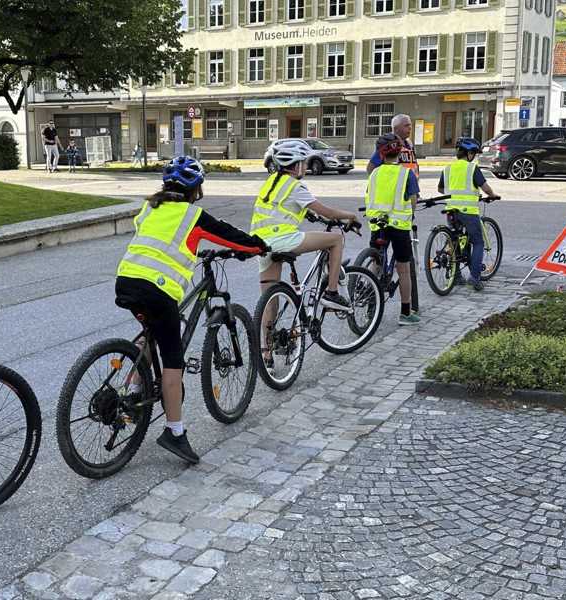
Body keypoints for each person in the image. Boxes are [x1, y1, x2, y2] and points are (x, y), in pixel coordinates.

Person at [116, 156, 269, 464]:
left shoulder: (150, 208)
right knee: (174, 363)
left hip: (126, 282)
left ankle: (133, 388)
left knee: (152, 333)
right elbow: (229, 235)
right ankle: (175, 433)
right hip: (158, 290)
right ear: (195, 189)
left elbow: (153, 236)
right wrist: (257, 246)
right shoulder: (192, 216)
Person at [253, 138, 361, 363]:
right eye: (303, 162)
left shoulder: (271, 182)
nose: (306, 166)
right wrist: (349, 216)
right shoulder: (295, 186)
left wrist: (313, 216)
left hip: (261, 245)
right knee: (334, 240)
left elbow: (300, 210)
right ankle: (331, 292)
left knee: (269, 299)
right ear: (296, 165)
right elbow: (327, 212)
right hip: (284, 240)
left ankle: (267, 354)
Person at [366, 133, 421, 325]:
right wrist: (409, 213)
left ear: (381, 154)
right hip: (398, 226)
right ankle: (405, 313)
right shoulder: (406, 174)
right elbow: (413, 201)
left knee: (376, 263)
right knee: (403, 269)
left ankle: (369, 306)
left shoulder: (374, 174)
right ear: (400, 152)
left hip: (377, 224)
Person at [437, 137, 499, 291]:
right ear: (469, 153)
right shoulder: (472, 168)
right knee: (478, 243)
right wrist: (492, 195)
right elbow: (484, 187)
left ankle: (456, 275)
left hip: (451, 211)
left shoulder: (448, 169)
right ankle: (475, 278)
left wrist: (455, 193)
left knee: (456, 241)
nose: (475, 157)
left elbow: (440, 189)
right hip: (469, 212)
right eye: (474, 154)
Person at [366, 114, 420, 179]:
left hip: (410, 185)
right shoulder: (389, 145)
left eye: (410, 125)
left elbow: (414, 164)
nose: (410, 127)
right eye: (406, 125)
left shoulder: (409, 143)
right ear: (396, 129)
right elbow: (370, 168)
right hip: (396, 187)